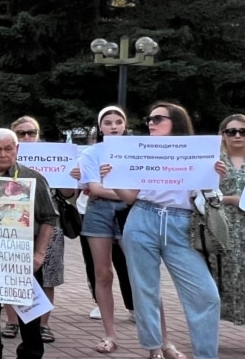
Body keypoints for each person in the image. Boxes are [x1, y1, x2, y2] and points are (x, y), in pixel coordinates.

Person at [104, 101, 225, 359]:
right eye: (149, 118)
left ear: (176, 123)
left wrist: (216, 177)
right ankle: (153, 348)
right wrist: (112, 180)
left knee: (206, 295)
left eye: (158, 119)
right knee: (144, 289)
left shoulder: (198, 153)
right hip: (142, 218)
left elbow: (209, 196)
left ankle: (206, 355)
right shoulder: (142, 151)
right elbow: (130, 198)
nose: (151, 122)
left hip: (181, 223)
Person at [0, 128, 58, 359]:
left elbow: (50, 217)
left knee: (29, 318)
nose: (3, 154)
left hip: (23, 256)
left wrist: (39, 254)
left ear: (16, 149)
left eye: (8, 148)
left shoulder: (34, 178)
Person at [0, 117, 71, 344]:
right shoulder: (5, 159)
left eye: (31, 132)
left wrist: (72, 176)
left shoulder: (55, 157)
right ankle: (12, 321)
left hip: (49, 224)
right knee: (12, 274)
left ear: (38, 134)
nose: (27, 137)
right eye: (21, 134)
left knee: (48, 276)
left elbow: (68, 195)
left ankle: (43, 324)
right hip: (15, 224)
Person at [76, 105, 136, 353]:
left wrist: (130, 196)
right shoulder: (92, 153)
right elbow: (96, 189)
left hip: (129, 212)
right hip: (99, 211)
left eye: (118, 122)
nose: (113, 126)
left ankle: (155, 334)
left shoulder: (137, 151)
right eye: (108, 122)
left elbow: (140, 189)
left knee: (139, 271)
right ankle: (109, 334)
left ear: (125, 125)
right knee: (103, 274)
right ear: (100, 127)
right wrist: (128, 194)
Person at [218, 113, 245, 326]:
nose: (237, 135)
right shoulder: (215, 160)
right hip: (220, 226)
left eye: (242, 131)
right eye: (231, 131)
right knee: (218, 277)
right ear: (223, 135)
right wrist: (231, 199)